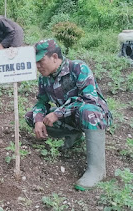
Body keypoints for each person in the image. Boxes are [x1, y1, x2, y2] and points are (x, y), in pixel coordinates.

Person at [25, 39, 112, 191]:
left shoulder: (78, 68)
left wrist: (58, 113)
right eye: (35, 62)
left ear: (54, 57)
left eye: (41, 61)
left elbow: (89, 99)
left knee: (88, 112)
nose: (37, 66)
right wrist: (38, 120)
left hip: (95, 116)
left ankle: (97, 170)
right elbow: (41, 103)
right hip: (70, 119)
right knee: (31, 116)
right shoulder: (44, 78)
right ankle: (73, 136)